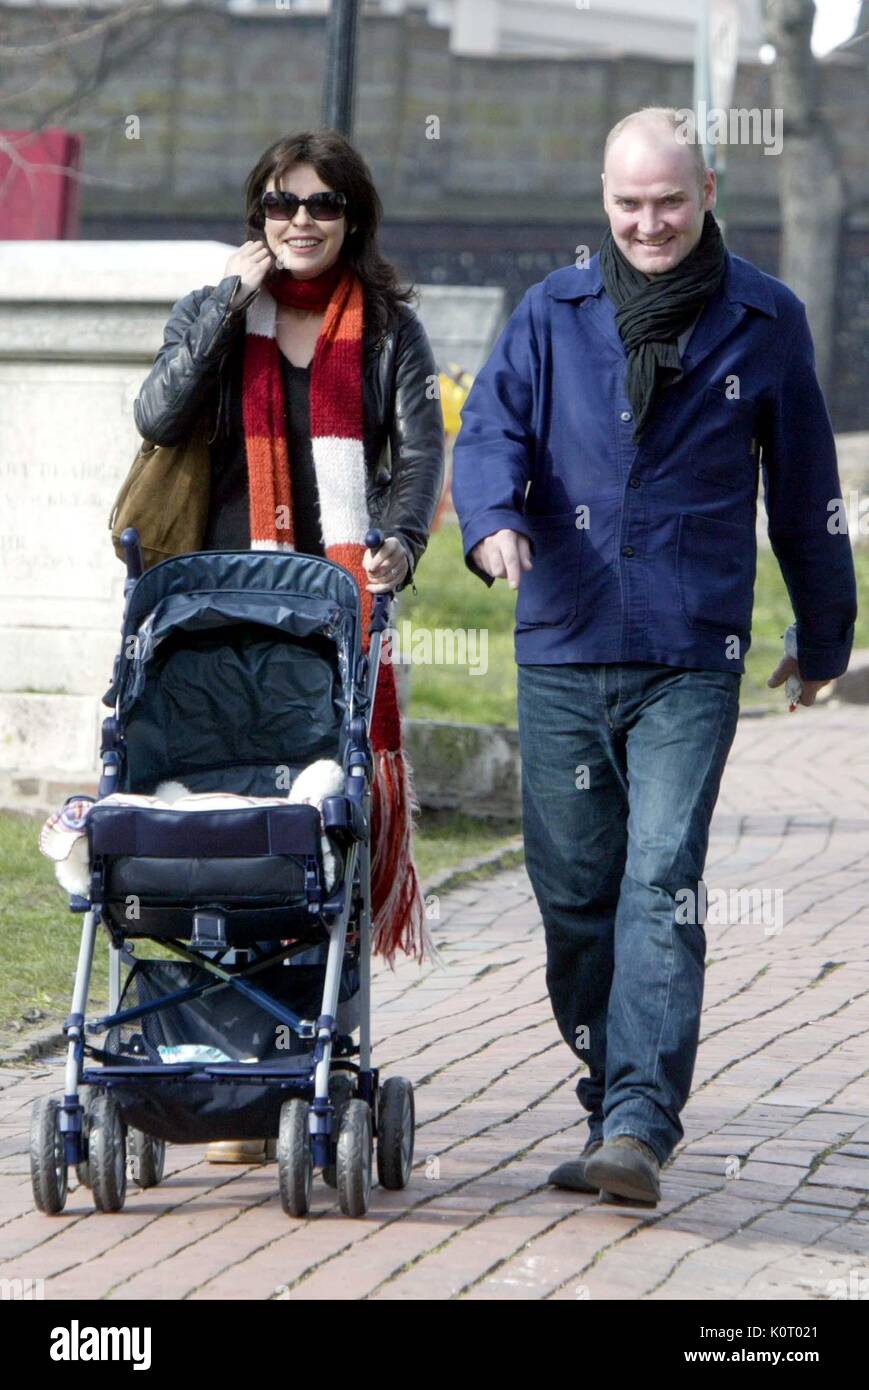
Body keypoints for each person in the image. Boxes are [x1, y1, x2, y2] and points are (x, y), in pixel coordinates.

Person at [451, 107, 857, 1207]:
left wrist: (822, 634)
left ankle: (637, 1121)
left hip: (690, 646)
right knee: (571, 888)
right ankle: (606, 1089)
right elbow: (487, 431)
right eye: (628, 203)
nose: (648, 222)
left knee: (660, 877)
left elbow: (807, 488)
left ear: (708, 190)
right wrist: (489, 517)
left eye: (667, 201)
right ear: (603, 199)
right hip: (565, 639)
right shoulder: (552, 311)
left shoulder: (764, 319)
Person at [134, 129, 445, 1162]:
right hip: (222, 615)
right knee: (235, 827)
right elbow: (158, 412)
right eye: (279, 203)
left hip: (335, 621)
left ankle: (294, 1053)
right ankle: (230, 1057)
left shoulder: (390, 330)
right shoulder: (214, 310)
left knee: (324, 830)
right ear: (255, 215)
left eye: (321, 205)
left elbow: (417, 456)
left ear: (353, 219)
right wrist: (226, 305)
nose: (299, 221)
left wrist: (397, 543)